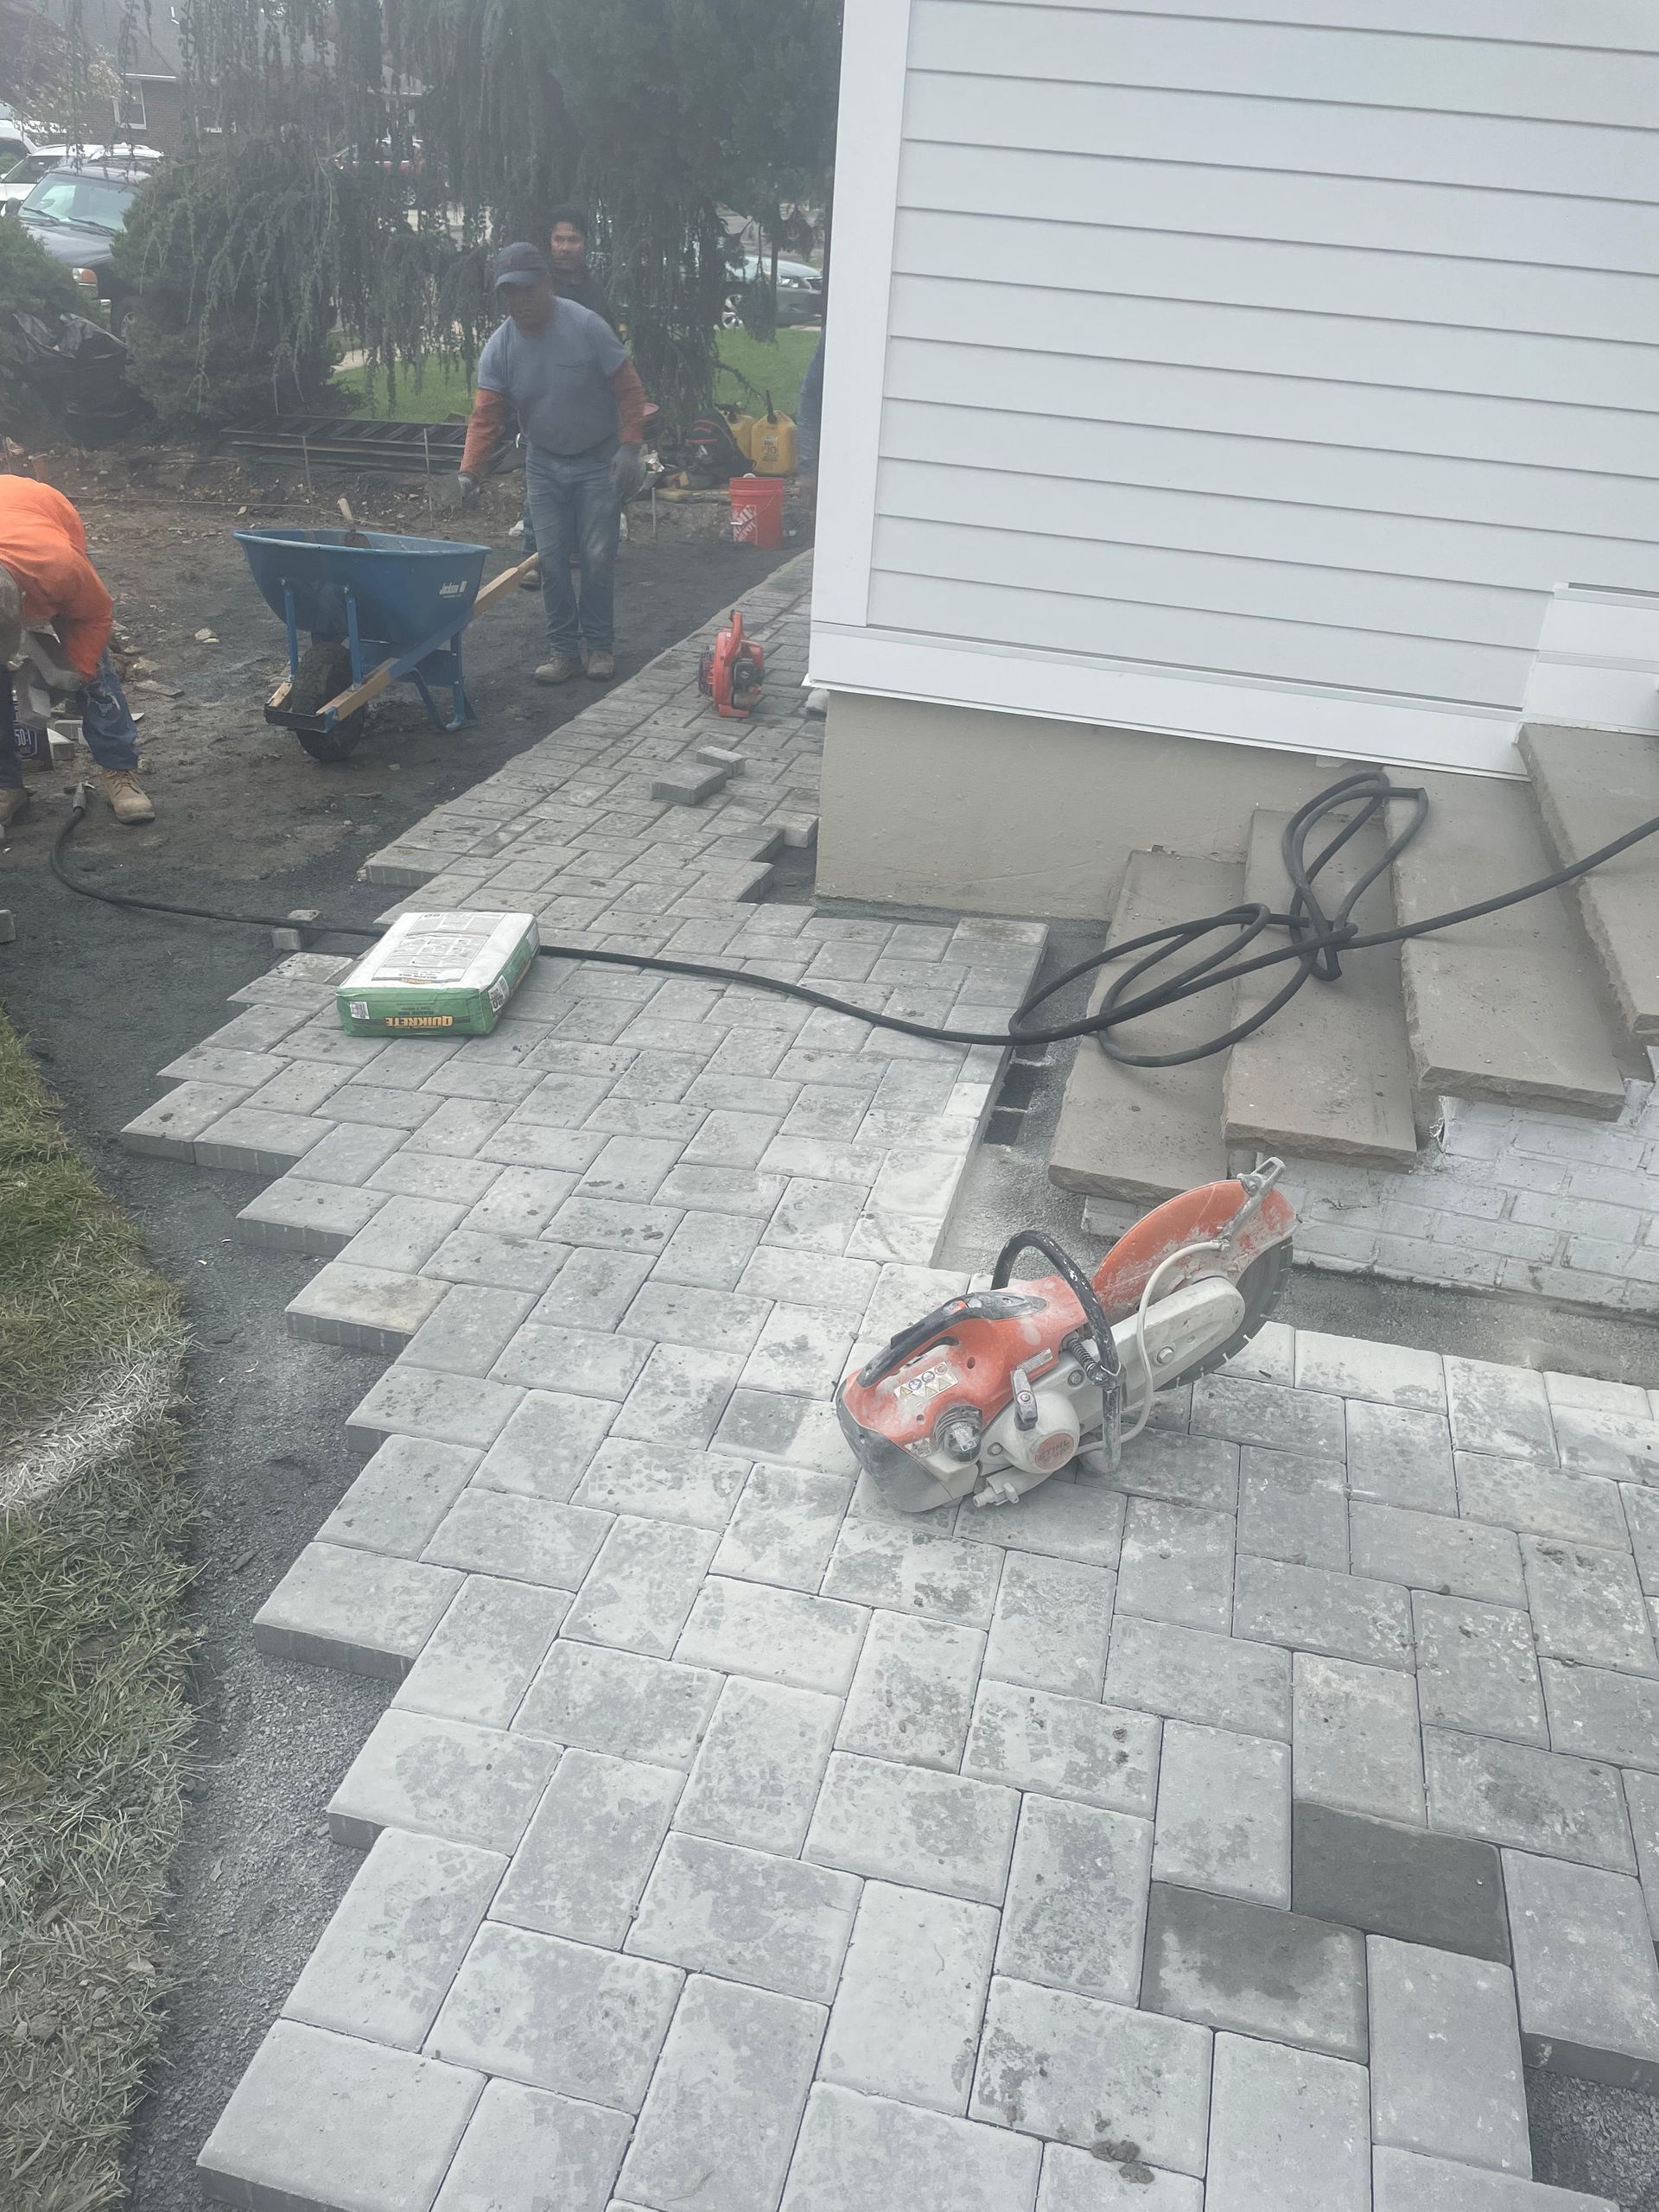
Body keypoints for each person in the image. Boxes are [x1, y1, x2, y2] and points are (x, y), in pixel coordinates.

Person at [459, 243, 647, 685]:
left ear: (546, 283)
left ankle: (598, 646)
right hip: (543, 463)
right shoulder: (501, 347)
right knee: (551, 561)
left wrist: (630, 446)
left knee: (597, 558)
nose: (519, 301)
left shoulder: (586, 326)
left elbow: (628, 388)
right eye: (510, 293)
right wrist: (468, 472)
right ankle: (563, 650)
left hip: (598, 458)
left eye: (527, 289)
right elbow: (486, 416)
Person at [0, 476, 153, 829]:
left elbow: (96, 615)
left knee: (95, 670)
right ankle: (6, 785)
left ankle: (119, 771)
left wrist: (74, 673)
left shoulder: (59, 568)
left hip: (43, 517)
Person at [517, 207, 619, 582]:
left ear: (585, 244)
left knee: (590, 477)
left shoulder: (594, 291)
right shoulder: (539, 286)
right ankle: (533, 558)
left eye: (572, 239)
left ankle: (585, 552)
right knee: (543, 479)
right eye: (558, 239)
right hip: (546, 396)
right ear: (550, 243)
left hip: (588, 399)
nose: (564, 247)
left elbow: (609, 346)